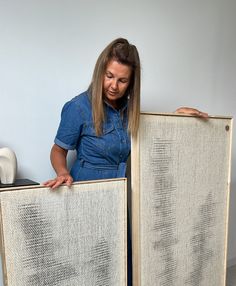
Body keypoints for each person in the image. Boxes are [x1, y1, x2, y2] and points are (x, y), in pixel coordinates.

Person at [44, 37, 208, 189]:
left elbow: (153, 138)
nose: (114, 86)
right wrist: (63, 173)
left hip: (120, 190)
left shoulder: (130, 111)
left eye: (122, 80)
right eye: (109, 76)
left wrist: (176, 117)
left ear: (131, 83)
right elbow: (58, 150)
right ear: (100, 72)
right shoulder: (78, 107)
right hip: (85, 191)